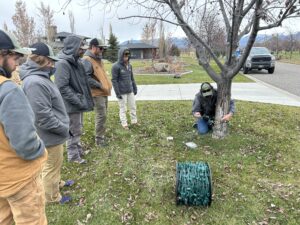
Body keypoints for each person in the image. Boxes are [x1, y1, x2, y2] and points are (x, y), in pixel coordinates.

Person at [0, 29, 48, 224]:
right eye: (14, 56)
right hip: (19, 178)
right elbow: (26, 144)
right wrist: (40, 149)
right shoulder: (8, 89)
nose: (17, 62)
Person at [20, 42, 73, 204]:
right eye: (51, 61)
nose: (53, 64)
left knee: (55, 163)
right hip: (50, 135)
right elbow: (42, 116)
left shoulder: (40, 77)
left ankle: (56, 184)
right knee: (51, 166)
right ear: (42, 60)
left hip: (54, 133)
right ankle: (52, 197)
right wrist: (63, 129)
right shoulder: (35, 82)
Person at [55, 35, 94, 164]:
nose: (83, 50)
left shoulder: (76, 61)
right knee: (73, 130)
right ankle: (73, 156)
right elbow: (62, 87)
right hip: (71, 104)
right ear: (73, 47)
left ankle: (78, 150)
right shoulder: (63, 63)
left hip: (78, 102)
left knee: (78, 127)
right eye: (80, 48)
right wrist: (78, 100)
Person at [82, 38, 112, 146]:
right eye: (100, 48)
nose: (102, 50)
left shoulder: (98, 58)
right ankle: (99, 140)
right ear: (93, 47)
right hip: (96, 93)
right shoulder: (87, 59)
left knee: (103, 115)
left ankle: (101, 136)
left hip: (103, 92)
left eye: (103, 48)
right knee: (101, 115)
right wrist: (100, 85)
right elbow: (86, 78)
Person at [111, 48, 138, 130]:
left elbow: (132, 78)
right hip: (121, 92)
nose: (126, 56)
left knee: (133, 107)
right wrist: (117, 93)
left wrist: (135, 87)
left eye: (127, 55)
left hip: (130, 91)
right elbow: (114, 80)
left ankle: (134, 121)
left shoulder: (130, 66)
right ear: (121, 55)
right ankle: (124, 124)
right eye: (125, 55)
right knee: (123, 109)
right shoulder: (115, 66)